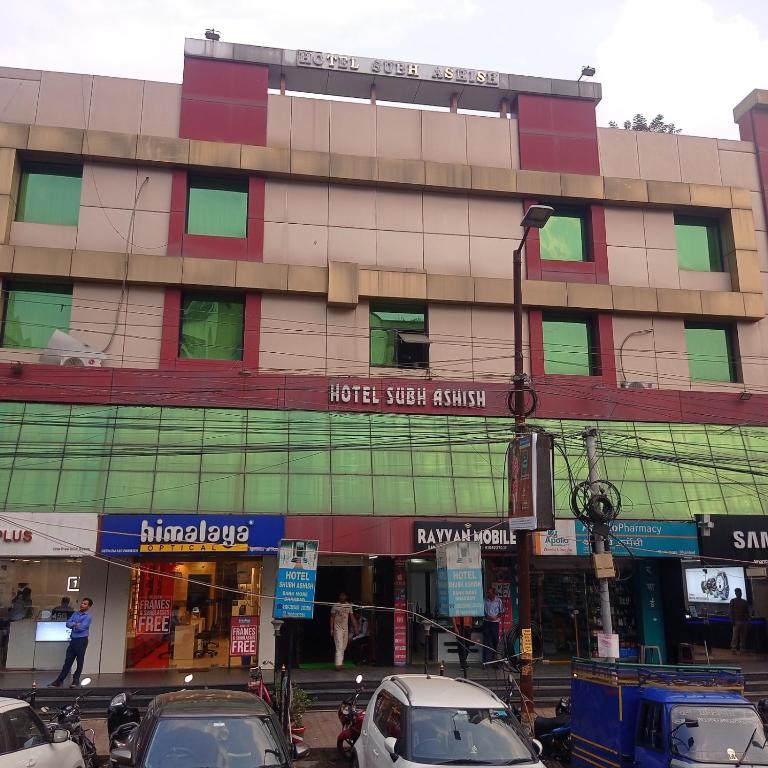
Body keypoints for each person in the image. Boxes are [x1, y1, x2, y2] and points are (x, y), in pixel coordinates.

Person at [49, 597, 93, 687]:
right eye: (82, 603)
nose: (82, 605)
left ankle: (75, 680)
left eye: (85, 604)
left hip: (81, 640)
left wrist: (74, 624)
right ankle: (59, 680)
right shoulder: (75, 613)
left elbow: (82, 627)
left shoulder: (88, 616)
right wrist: (75, 624)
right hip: (73, 640)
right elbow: (67, 623)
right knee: (68, 660)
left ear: (88, 606)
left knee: (79, 660)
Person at [330, 592, 358, 671]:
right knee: (339, 645)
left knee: (343, 646)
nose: (342, 597)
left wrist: (356, 626)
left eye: (344, 595)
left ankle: (340, 662)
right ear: (339, 597)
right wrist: (331, 629)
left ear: (346, 597)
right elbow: (332, 618)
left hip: (345, 629)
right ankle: (338, 665)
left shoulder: (348, 606)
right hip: (337, 628)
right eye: (341, 595)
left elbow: (351, 617)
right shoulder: (335, 606)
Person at [482, 587, 504, 664]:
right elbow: (482, 611)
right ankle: (486, 661)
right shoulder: (484, 600)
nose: (488, 594)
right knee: (487, 642)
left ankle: (495, 661)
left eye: (489, 593)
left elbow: (501, 612)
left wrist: (496, 617)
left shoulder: (498, 601)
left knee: (495, 641)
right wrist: (487, 616)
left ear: (493, 593)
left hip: (495, 623)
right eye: (487, 592)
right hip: (487, 622)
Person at [730, 587, 750, 653]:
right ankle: (733, 648)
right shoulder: (733, 601)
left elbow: (747, 611)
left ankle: (742, 648)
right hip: (736, 620)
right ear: (735, 593)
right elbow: (731, 611)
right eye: (737, 592)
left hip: (744, 620)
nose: (738, 594)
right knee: (735, 635)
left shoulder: (744, 601)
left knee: (743, 635)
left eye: (739, 592)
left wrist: (748, 617)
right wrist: (732, 620)